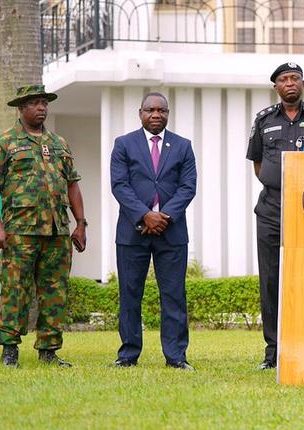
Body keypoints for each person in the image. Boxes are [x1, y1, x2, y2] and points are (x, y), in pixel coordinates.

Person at [0, 84, 87, 367]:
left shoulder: (58, 143)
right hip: (20, 231)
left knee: (55, 290)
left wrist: (80, 224)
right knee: (16, 289)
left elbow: (72, 185)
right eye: (35, 103)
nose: (42, 107)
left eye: (44, 102)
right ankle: (9, 350)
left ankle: (49, 350)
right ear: (21, 108)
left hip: (56, 231)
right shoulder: (6, 142)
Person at [246, 62, 304, 370]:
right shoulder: (264, 120)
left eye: (295, 78)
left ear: (303, 83)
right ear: (276, 86)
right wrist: (278, 184)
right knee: (270, 280)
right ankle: (274, 352)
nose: (290, 83)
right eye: (283, 79)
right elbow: (257, 163)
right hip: (271, 209)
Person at [110, 92, 197, 371]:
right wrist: (145, 215)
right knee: (130, 293)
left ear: (168, 114)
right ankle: (128, 354)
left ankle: (176, 356)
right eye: (150, 110)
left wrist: (165, 216)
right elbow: (119, 185)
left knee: (173, 295)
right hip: (133, 232)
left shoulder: (183, 146)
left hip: (171, 232)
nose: (156, 115)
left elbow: (188, 186)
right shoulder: (124, 144)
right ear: (141, 113)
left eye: (162, 110)